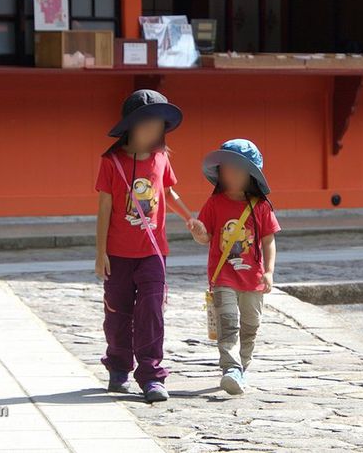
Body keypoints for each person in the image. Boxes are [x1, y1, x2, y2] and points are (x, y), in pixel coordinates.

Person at [94, 89, 202, 402]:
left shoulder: (161, 158)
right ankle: (118, 366)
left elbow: (168, 192)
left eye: (158, 126)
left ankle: (152, 375)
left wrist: (188, 218)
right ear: (130, 126)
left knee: (152, 311)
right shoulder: (111, 162)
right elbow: (104, 209)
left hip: (154, 252)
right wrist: (100, 254)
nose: (153, 132)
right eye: (147, 125)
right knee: (118, 314)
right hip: (118, 253)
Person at [188, 139, 280, 395]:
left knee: (251, 324)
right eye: (227, 168)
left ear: (251, 175)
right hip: (223, 277)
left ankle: (243, 365)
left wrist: (270, 271)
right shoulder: (214, 203)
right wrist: (198, 232)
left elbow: (268, 240)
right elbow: (206, 238)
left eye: (239, 169)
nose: (232, 174)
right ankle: (230, 367)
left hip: (253, 279)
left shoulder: (261, 206)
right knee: (228, 321)